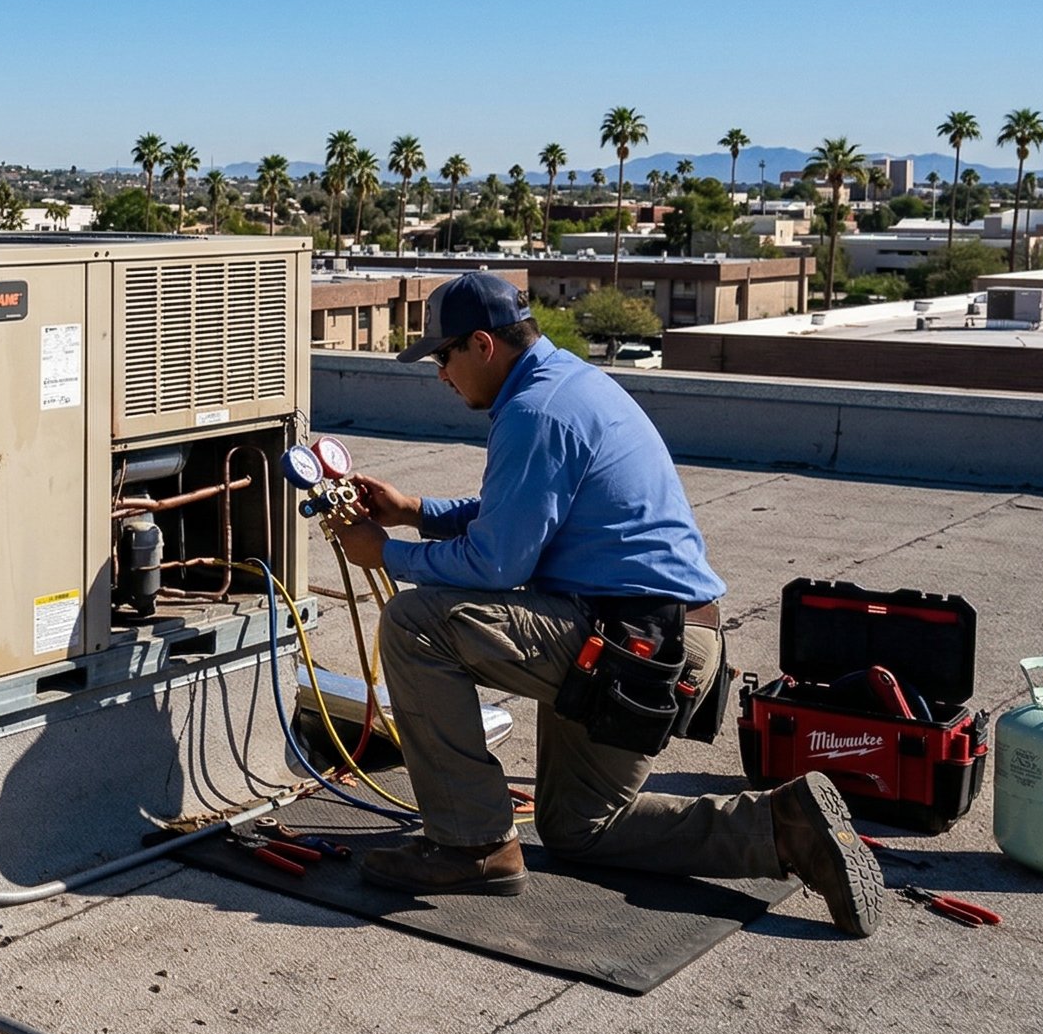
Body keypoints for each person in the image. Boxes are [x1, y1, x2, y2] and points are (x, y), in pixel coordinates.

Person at [330, 271, 883, 935]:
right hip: (662, 640)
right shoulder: (565, 383)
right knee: (581, 829)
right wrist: (418, 513)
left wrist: (382, 553)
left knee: (418, 623)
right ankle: (782, 829)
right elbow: (528, 512)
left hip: (629, 647)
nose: (440, 376)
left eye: (442, 358)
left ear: (481, 345)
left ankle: (471, 846)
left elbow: (497, 563)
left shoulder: (535, 412)